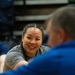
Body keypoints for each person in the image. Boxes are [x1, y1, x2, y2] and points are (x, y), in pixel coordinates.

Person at [1, 6, 75, 75]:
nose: (33, 42)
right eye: (29, 37)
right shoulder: (13, 53)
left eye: (50, 35)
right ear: (22, 38)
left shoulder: (54, 58)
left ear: (60, 35)